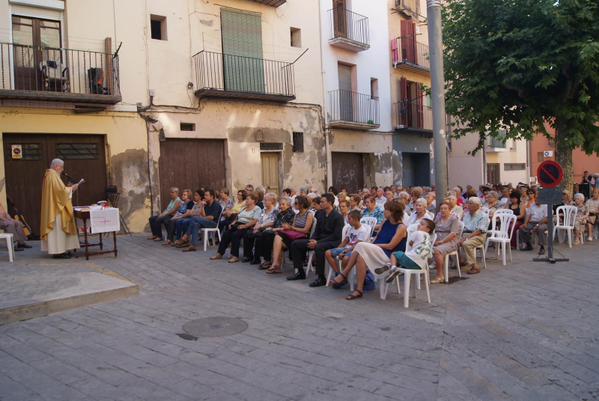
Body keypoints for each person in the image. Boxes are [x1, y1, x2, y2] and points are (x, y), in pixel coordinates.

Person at [330, 201, 408, 300]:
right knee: (360, 257)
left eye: (386, 210)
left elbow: (390, 246)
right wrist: (371, 245)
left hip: (388, 256)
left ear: (392, 212)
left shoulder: (401, 227)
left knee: (360, 245)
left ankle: (344, 274)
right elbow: (376, 237)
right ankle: (359, 290)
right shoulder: (385, 222)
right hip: (376, 251)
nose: (384, 211)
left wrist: (371, 245)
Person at [287, 193, 344, 287]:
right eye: (320, 201)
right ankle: (300, 272)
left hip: (332, 242)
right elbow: (317, 230)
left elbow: (336, 236)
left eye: (322, 201)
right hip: (319, 240)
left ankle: (321, 277)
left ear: (329, 203)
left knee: (319, 247)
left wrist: (317, 242)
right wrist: (312, 239)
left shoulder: (338, 217)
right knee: (295, 244)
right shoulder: (320, 214)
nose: (320, 203)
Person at [40, 158, 81, 258]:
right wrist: (72, 188)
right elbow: (60, 192)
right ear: (57, 166)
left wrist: (68, 188)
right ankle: (58, 252)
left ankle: (63, 250)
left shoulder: (50, 175)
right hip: (56, 209)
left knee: (60, 231)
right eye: (62, 167)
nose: (62, 170)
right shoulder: (52, 175)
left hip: (55, 206)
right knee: (58, 231)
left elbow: (58, 191)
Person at [266, 195, 314, 274]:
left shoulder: (309, 214)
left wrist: (291, 228)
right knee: (278, 237)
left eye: (296, 203)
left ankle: (276, 265)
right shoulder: (297, 215)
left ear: (301, 204)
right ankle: (275, 264)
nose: (294, 205)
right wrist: (287, 227)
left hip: (302, 238)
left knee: (278, 238)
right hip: (294, 236)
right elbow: (293, 228)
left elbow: (305, 230)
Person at [211, 192, 261, 263]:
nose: (246, 200)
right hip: (238, 224)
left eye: (248, 199)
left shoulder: (257, 209)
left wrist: (245, 226)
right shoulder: (244, 208)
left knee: (235, 235)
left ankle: (235, 256)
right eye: (246, 199)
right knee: (226, 233)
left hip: (248, 225)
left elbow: (255, 220)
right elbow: (237, 217)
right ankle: (220, 253)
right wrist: (232, 223)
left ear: (253, 200)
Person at [382, 218, 436, 284]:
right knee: (402, 259)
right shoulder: (429, 238)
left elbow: (410, 243)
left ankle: (392, 268)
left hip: (411, 260)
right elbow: (430, 255)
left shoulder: (417, 233)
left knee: (394, 254)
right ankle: (391, 267)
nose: (419, 225)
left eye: (422, 224)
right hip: (421, 266)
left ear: (428, 229)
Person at [324, 210, 371, 279]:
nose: (348, 221)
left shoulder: (362, 231)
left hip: (354, 250)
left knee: (345, 258)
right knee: (328, 253)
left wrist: (344, 252)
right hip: (346, 249)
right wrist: (338, 249)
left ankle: (344, 277)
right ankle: (338, 273)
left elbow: (357, 246)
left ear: (356, 219)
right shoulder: (351, 228)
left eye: (349, 219)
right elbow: (345, 241)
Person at [254, 197, 295, 269]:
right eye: (280, 204)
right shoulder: (280, 213)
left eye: (283, 204)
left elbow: (289, 227)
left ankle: (267, 260)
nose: (281, 206)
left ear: (288, 205)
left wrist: (275, 229)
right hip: (276, 232)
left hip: (284, 236)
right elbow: (274, 223)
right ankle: (264, 258)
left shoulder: (291, 214)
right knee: (261, 235)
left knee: (267, 234)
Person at [242, 192, 278, 263]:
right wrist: (255, 227)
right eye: (264, 200)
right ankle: (248, 255)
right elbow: (259, 220)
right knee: (248, 233)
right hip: (260, 228)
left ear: (272, 201)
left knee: (259, 237)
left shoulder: (275, 211)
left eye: (266, 200)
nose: (264, 202)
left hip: (268, 230)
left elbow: (272, 223)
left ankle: (258, 258)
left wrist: (260, 227)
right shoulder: (263, 210)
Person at [431, 203, 461, 283]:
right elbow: (432, 227)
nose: (443, 210)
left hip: (450, 241)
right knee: (424, 247)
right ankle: (422, 272)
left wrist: (442, 241)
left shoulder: (454, 219)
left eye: (445, 208)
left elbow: (453, 233)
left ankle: (440, 275)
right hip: (437, 239)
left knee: (437, 250)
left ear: (450, 210)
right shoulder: (438, 218)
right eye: (441, 209)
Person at [458, 197, 489, 274]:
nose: (468, 205)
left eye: (470, 203)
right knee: (453, 242)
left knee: (466, 244)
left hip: (478, 235)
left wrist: (466, 238)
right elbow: (463, 226)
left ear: (477, 206)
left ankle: (474, 266)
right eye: (468, 203)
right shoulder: (467, 214)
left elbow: (479, 231)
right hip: (466, 234)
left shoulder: (483, 215)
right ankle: (461, 260)